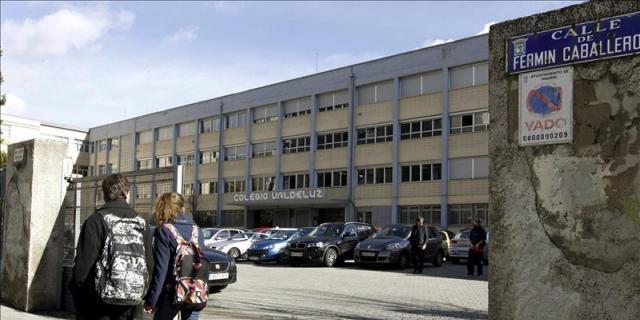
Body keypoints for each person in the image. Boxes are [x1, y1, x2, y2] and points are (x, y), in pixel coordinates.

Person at [71, 174, 154, 320]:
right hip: (132, 302)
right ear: (127, 194)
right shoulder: (141, 223)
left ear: (104, 195)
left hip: (100, 304)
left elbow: (82, 268)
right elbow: (149, 263)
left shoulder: (96, 220)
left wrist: (79, 297)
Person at [143, 192, 205, 320]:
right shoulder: (197, 230)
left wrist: (152, 301)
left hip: (171, 293)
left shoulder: (164, 231)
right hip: (195, 291)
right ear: (182, 207)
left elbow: (161, 270)